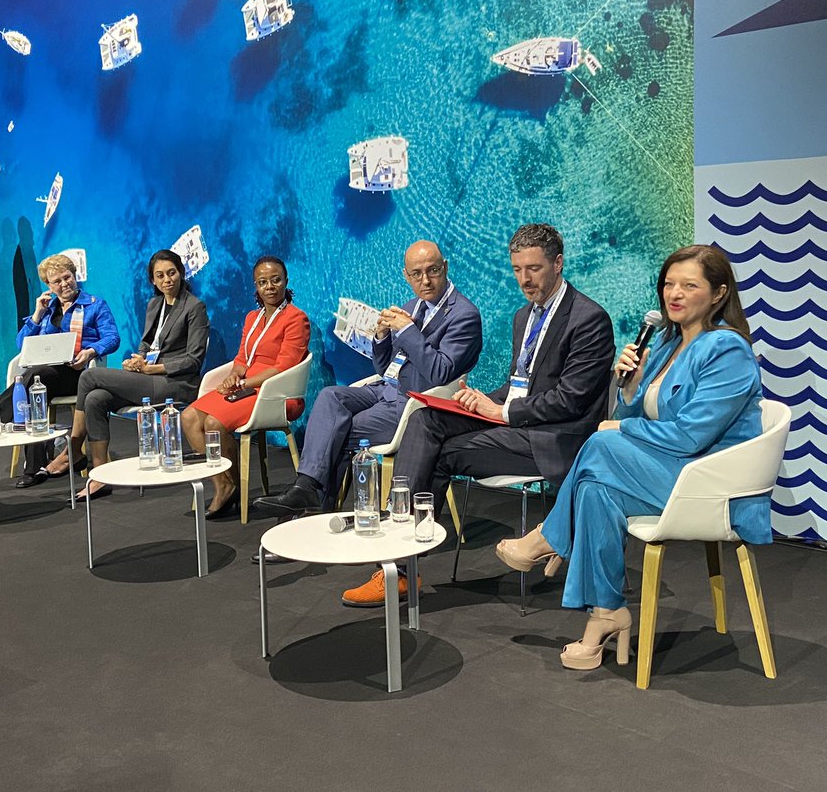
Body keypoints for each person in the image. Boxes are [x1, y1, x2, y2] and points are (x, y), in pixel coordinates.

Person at [494, 244, 766, 671]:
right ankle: (605, 616)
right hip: (665, 471)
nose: (673, 294)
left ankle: (549, 537)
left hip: (710, 482)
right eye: (668, 284)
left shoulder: (727, 350)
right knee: (597, 492)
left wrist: (621, 427)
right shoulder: (663, 343)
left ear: (718, 294)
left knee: (602, 445)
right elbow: (633, 416)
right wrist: (629, 388)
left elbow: (692, 435)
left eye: (688, 285)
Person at [341, 223, 615, 606]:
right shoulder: (525, 316)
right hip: (518, 420)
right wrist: (478, 400)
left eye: (533, 268)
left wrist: (501, 410)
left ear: (558, 263)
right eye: (517, 269)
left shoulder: (588, 318)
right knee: (425, 417)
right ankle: (398, 558)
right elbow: (520, 383)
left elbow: (570, 401)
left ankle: (398, 566)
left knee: (438, 453)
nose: (524, 279)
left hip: (554, 439)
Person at [253, 240, 482, 517]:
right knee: (329, 396)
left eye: (432, 270)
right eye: (416, 274)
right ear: (406, 276)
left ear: (445, 268)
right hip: (384, 388)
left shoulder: (464, 315)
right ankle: (306, 489)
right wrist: (382, 336)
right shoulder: (413, 305)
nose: (425, 280)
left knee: (334, 434)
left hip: (415, 403)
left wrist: (408, 330)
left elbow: (440, 373)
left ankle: (311, 513)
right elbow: (385, 368)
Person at [45, 250, 210, 500]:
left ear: (181, 273)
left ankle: (73, 448)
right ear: (153, 280)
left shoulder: (195, 307)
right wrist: (138, 360)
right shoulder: (155, 304)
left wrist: (151, 368)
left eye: (172, 273)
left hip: (174, 383)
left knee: (89, 378)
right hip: (148, 377)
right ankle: (99, 476)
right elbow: (147, 345)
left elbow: (193, 360)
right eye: (160, 275)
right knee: (96, 398)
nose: (167, 280)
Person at [180, 255, 311, 519]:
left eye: (276, 280)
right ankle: (224, 483)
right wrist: (233, 376)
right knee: (189, 417)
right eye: (263, 282)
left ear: (286, 281)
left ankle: (228, 486)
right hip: (247, 387)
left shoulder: (296, 318)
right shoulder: (253, 317)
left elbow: (285, 366)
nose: (270, 287)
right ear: (256, 287)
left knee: (215, 424)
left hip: (276, 392)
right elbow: (242, 358)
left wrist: (244, 382)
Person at [7, 253, 120, 485]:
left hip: (80, 373)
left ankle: (3, 417)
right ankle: (35, 467)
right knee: (34, 388)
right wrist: (37, 315)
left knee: (33, 380)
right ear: (48, 285)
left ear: (74, 275)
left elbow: (113, 338)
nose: (64, 284)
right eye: (56, 281)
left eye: (67, 277)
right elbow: (22, 345)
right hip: (47, 375)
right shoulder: (47, 310)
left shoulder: (95, 305)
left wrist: (91, 351)